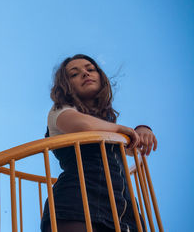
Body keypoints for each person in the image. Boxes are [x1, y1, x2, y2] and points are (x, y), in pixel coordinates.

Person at [40, 54, 157, 232]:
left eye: (90, 69)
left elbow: (133, 146)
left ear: (101, 77)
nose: (85, 74)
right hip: (76, 209)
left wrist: (142, 130)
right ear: (66, 85)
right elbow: (83, 125)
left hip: (124, 216)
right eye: (74, 74)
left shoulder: (108, 128)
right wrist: (123, 131)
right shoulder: (59, 111)